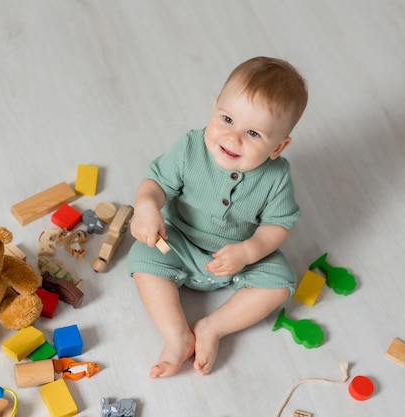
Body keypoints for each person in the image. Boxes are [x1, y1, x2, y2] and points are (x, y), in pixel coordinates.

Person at [127, 56, 308, 378]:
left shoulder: (276, 176)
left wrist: (248, 252)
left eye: (253, 133)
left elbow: (278, 224)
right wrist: (146, 208)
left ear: (278, 147)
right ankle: (177, 335)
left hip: (238, 252)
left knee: (280, 283)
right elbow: (156, 183)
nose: (232, 138)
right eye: (226, 119)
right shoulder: (190, 147)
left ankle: (212, 327)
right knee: (143, 259)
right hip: (176, 239)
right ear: (214, 108)